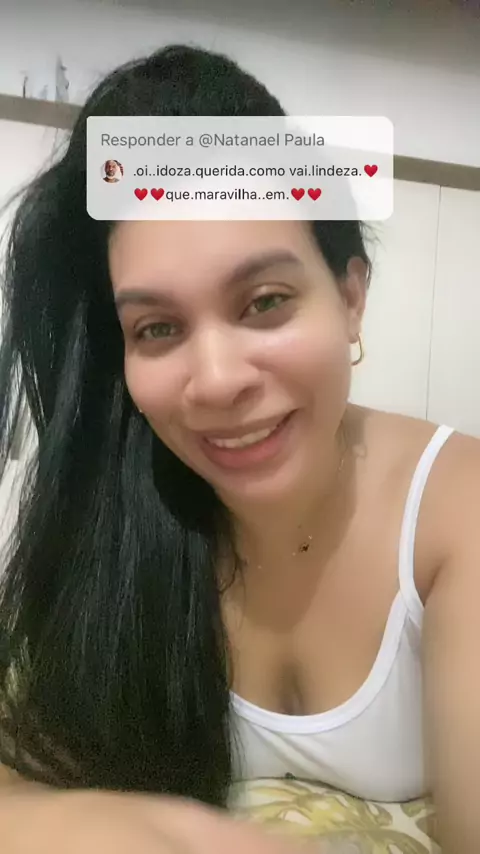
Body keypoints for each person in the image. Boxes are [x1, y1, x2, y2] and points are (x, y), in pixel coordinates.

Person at [0, 43, 479, 854]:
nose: (217, 381)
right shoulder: (122, 514)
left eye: (264, 302)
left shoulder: (457, 510)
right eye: (157, 328)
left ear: (350, 297)